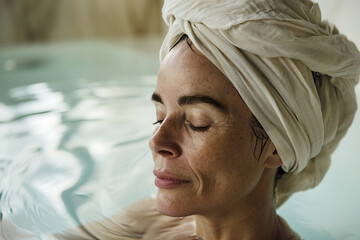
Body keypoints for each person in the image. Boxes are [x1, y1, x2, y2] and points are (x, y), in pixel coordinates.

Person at [52, 0, 359, 239]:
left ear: (276, 147)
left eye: (197, 123)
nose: (156, 142)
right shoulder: (151, 221)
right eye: (159, 117)